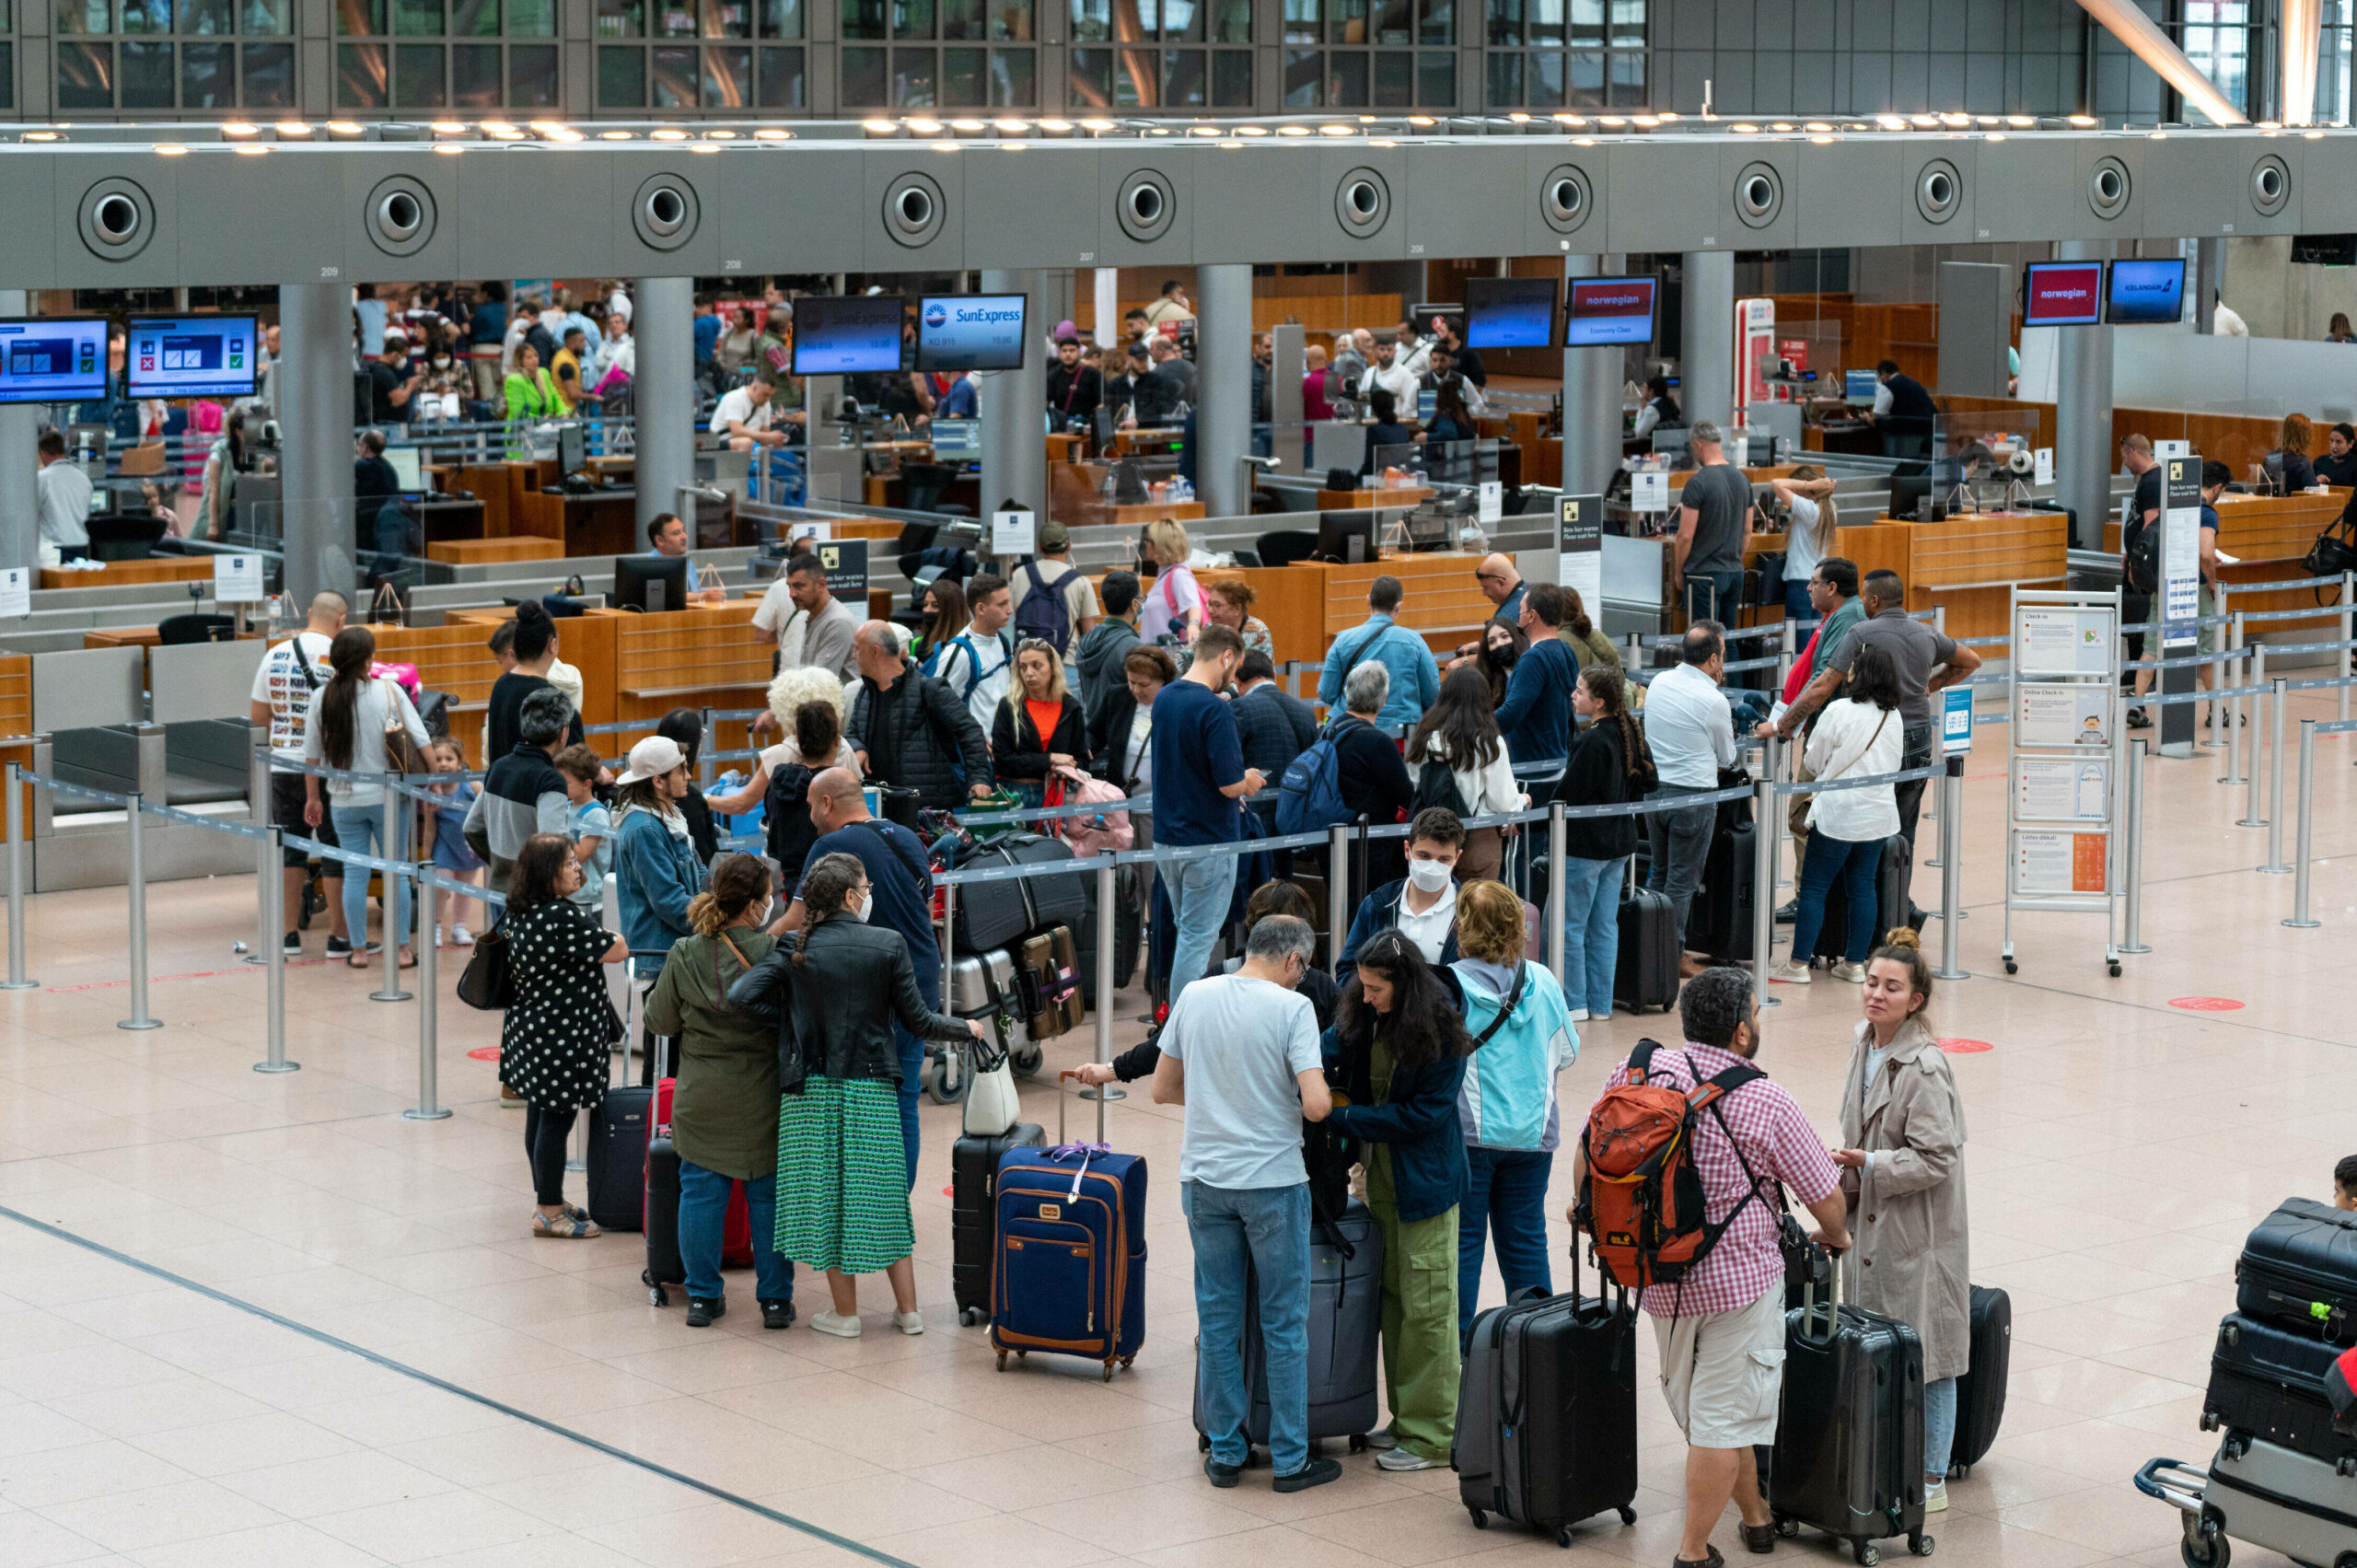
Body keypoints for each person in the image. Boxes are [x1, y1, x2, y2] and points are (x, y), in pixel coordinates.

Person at [1577, 968, 1851, 1568]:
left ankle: (1755, 1517)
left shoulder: (1636, 1071)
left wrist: (1591, 1221)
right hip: (1740, 1287)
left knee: (1711, 1412)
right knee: (1724, 1420)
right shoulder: (1763, 1097)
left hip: (1656, 1279)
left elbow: (1589, 1149)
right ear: (1743, 1031)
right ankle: (1693, 1552)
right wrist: (1838, 1235)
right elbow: (1825, 1193)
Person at [731, 852, 983, 1338]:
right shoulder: (887, 944)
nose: (869, 895)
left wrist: (794, 1020)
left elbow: (744, 996)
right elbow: (920, 1021)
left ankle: (845, 1316)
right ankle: (908, 1312)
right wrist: (965, 1026)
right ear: (850, 896)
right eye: (866, 887)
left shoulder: (793, 946)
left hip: (812, 1093)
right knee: (884, 1196)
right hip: (872, 1089)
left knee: (826, 1199)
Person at [1155, 913, 1341, 1493]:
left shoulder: (1196, 993)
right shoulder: (1293, 1010)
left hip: (1204, 1181)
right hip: (1273, 1183)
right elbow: (1315, 1107)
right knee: (1284, 1322)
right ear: (1293, 960)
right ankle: (1289, 1459)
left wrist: (1221, 1099)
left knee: (1218, 1320)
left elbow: (1163, 1089)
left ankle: (1228, 1454)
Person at [1824, 926, 1973, 1512]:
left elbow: (1937, 1157)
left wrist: (1871, 1163)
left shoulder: (1926, 1068)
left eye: (1891, 987)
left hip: (1920, 1235)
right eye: (1871, 982)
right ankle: (1887, 1455)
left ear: (1916, 1000)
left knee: (1929, 1353)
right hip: (1875, 1223)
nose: (1876, 994)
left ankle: (1931, 1476)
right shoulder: (1865, 1043)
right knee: (1883, 1340)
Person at [1320, 930, 1474, 1472]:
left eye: (1375, 988)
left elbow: (1423, 1117)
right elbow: (1327, 1048)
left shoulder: (1442, 1036)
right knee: (1392, 1302)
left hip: (1424, 1186)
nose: (1364, 997)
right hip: (1381, 1181)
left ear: (1404, 987)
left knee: (1428, 1308)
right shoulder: (1364, 1018)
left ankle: (1434, 1436)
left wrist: (1342, 1117)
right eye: (1361, 987)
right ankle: (1407, 1418)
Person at [772, 768, 943, 1184]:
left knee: (857, 1099)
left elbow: (798, 920)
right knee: (903, 1098)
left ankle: (859, 1203)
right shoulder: (906, 837)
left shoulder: (830, 846)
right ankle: (896, 1204)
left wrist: (745, 946)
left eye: (812, 805)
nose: (811, 814)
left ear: (826, 803)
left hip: (870, 988)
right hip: (919, 980)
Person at [644, 854, 795, 1330]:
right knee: (767, 1198)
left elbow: (659, 1021)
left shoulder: (684, 953)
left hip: (701, 1093)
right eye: (769, 895)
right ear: (754, 906)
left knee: (701, 1195)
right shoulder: (776, 954)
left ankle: (703, 1299)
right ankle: (774, 1301)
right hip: (763, 1092)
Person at [1777, 569, 1981, 910]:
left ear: (1874, 600)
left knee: (1860, 829)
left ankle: (1854, 909)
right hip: (1917, 739)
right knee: (1902, 833)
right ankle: (1895, 909)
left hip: (1878, 736)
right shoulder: (1926, 633)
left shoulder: (1862, 632)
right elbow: (1971, 661)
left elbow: (1824, 684)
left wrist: (1784, 724)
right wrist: (1926, 687)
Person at [1452, 877, 1578, 1336]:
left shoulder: (1451, 984)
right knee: (1525, 1241)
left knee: (1464, 1246)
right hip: (1533, 1136)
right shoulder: (1542, 980)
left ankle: (1463, 1353)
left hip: (1469, 1140)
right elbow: (1568, 1052)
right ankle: (1537, 1346)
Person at [499, 833, 629, 1238]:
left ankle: (548, 1195)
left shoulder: (521, 910)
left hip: (532, 1028)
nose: (579, 868)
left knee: (540, 1114)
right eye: (570, 862)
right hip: (562, 1035)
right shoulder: (560, 916)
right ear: (547, 874)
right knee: (557, 1118)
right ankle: (548, 1211)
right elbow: (617, 949)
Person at [1773, 643, 1904, 985]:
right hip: (1878, 814)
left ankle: (1799, 964)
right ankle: (1856, 964)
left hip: (1838, 813)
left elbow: (1813, 761)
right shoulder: (1894, 715)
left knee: (1815, 888)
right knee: (1863, 887)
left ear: (1860, 674)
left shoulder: (1839, 711)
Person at [301, 626, 430, 972]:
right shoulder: (388, 691)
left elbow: (310, 756)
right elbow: (421, 739)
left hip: (343, 801)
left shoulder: (322, 698)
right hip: (389, 798)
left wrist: (313, 798)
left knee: (354, 873)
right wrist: (436, 785)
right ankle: (402, 951)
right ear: (368, 659)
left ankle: (358, 951)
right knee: (397, 873)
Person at [1154, 624, 1264, 1007]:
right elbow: (1229, 784)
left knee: (1187, 932)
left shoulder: (1165, 697)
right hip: (1208, 840)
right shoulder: (1215, 709)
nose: (1234, 677)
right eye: (1235, 667)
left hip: (1167, 836)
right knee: (1198, 938)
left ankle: (1176, 1024)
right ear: (1227, 656)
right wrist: (1248, 781)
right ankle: (1182, 1032)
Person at [250, 592, 354, 956]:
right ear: (341, 621)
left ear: (309, 613)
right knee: (333, 847)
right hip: (326, 767)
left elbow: (259, 716)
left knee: (290, 849)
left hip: (283, 764)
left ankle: (287, 935)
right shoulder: (341, 659)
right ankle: (339, 936)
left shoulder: (274, 654)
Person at [1560, 666, 1652, 1022]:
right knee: (1603, 925)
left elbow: (1568, 794)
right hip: (1619, 844)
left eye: (1580, 691)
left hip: (1586, 846)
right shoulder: (1629, 729)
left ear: (1598, 702)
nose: (1574, 695)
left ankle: (1575, 1003)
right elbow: (1649, 780)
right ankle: (1600, 1004)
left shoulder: (1591, 740)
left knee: (1570, 926)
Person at [610, 735, 706, 1077]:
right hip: (660, 955)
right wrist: (715, 921)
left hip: (676, 950)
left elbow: (696, 871)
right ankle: (658, 1126)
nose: (688, 777)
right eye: (682, 770)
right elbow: (668, 901)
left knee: (674, 1052)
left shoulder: (667, 814)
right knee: (665, 1059)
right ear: (658, 781)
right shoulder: (645, 829)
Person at [1646, 621, 1738, 974]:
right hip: (1693, 796)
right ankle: (1673, 954)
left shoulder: (1659, 682)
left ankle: (1650, 946)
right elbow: (1727, 757)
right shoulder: (1713, 699)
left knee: (1659, 873)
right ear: (1713, 659)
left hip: (1655, 793)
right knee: (1682, 880)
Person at [845, 621, 995, 813]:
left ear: (875, 652)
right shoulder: (866, 693)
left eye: (857, 649)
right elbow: (852, 733)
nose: (853, 656)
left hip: (925, 810)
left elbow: (969, 731)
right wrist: (858, 748)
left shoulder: (930, 689)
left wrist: (978, 779)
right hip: (880, 807)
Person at [1407, 667, 1527, 880]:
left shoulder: (1423, 737)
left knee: (1436, 909)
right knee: (1475, 910)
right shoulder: (1488, 742)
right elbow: (1504, 803)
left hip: (1429, 840)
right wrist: (1523, 800)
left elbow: (1415, 783)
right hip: (1479, 838)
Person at [464, 689, 576, 897]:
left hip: (500, 891)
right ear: (563, 733)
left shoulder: (498, 767)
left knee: (505, 932)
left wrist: (502, 864)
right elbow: (551, 844)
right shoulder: (550, 780)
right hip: (533, 898)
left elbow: (471, 827)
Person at [1339, 807, 1466, 975]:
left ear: (1457, 858)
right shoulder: (1378, 905)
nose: (1433, 866)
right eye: (1424, 856)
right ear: (1407, 850)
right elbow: (1347, 969)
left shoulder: (1470, 912)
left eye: (1444, 859)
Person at [1329, 661, 1420, 892]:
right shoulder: (1378, 742)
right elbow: (1406, 794)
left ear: (1347, 693)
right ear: (1382, 701)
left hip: (1330, 835)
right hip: (1370, 843)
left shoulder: (1330, 729)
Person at [1318, 575, 1440, 728]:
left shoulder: (1344, 639)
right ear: (1398, 606)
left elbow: (1326, 692)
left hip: (1350, 730)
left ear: (1368, 600)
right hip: (1401, 736)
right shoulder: (1414, 641)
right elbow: (1433, 693)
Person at [1673, 421, 1755, 624]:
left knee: (1704, 640)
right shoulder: (1743, 480)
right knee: (1729, 638)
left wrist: (1678, 572)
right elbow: (1747, 531)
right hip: (1734, 572)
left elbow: (1685, 536)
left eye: (1693, 448)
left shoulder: (1697, 483)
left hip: (1703, 575)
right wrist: (1734, 560)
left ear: (1698, 444)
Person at [992, 638, 1090, 803]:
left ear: (1052, 668)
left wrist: (1067, 768)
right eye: (1023, 667)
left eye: (1036, 666)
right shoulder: (1009, 705)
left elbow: (1081, 758)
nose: (1029, 673)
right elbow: (1002, 760)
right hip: (1016, 793)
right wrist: (1049, 759)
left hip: (1057, 793)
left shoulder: (1070, 706)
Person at [484, 602, 586, 761]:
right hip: (545, 785)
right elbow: (578, 769)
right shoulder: (556, 703)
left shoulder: (500, 686)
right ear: (553, 645)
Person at [1232, 651, 1318, 828]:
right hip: (1297, 814)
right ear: (1274, 676)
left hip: (1254, 818)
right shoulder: (1307, 712)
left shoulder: (1238, 708)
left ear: (1238, 681)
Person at [752, 552, 861, 686]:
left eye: (799, 586)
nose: (791, 594)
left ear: (821, 584)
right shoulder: (813, 616)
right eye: (789, 586)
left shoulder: (837, 622)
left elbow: (818, 685)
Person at [930, 571, 1016, 738]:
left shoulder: (1003, 641)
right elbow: (936, 706)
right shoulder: (959, 653)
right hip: (975, 756)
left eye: (1009, 602)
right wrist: (974, 739)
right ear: (981, 609)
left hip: (1003, 751)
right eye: (1002, 604)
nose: (1010, 610)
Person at [421, 739, 483, 947]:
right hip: (445, 848)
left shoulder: (471, 786)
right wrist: (427, 855)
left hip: (468, 849)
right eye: (438, 759)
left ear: (459, 763)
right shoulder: (432, 792)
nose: (444, 763)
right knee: (442, 886)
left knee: (465, 890)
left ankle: (459, 927)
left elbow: (487, 813)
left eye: (449, 759)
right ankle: (436, 926)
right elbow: (430, 827)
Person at [1091, 644, 1174, 801]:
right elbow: (1094, 733)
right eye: (1131, 682)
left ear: (1162, 680)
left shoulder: (1175, 704)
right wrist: (1086, 748)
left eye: (1144, 685)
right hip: (1121, 799)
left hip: (1161, 801)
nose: (1136, 690)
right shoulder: (1117, 696)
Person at [1007, 521, 1100, 656]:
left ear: (1039, 547)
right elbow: (1090, 635)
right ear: (1069, 546)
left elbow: (1010, 617)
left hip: (1026, 663)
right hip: (1064, 661)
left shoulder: (1019, 575)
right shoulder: (1081, 582)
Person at [1769, 465, 1840, 624]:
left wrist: (1810, 485)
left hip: (1801, 584)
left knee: (1798, 642)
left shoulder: (1809, 509)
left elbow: (1776, 484)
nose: (1793, 491)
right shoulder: (1829, 509)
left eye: (1796, 486)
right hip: (1818, 581)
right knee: (1812, 641)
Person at [549, 744, 611, 914]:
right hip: (569, 896)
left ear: (587, 784)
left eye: (566, 782)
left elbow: (581, 855)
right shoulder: (566, 806)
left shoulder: (596, 814)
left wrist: (554, 827)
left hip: (590, 901)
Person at [1075, 569, 1143, 729]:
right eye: (1141, 598)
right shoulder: (1131, 646)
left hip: (1092, 733)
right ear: (1134, 604)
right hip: (1120, 734)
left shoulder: (1087, 639)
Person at [1137, 518, 1202, 645]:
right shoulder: (1164, 574)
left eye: (1149, 540)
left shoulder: (1179, 575)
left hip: (1169, 658)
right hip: (1155, 657)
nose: (1146, 544)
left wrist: (1194, 625)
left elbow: (1194, 606)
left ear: (1161, 545)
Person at [35, 430, 93, 559]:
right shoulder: (83, 478)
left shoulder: (41, 479)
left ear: (42, 454)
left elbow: (31, 513)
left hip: (53, 550)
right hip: (81, 546)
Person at [1870, 358, 1937, 459]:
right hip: (1931, 430)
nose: (1880, 380)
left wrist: (1865, 416)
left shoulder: (1887, 387)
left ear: (1883, 373)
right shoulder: (1914, 383)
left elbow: (1876, 418)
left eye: (1879, 376)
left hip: (1905, 437)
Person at [1201, 579, 1273, 659]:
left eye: (1217, 605)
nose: (1210, 610)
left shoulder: (1258, 631)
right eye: (1210, 604)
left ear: (1237, 609)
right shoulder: (1210, 627)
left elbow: (1260, 669)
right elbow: (1189, 655)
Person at [1469, 618, 1528, 711]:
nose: (1499, 644)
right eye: (1492, 642)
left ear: (1515, 637)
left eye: (1504, 636)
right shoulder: (1483, 680)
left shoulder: (1529, 668)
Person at [1047, 336, 1102, 425]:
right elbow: (1046, 401)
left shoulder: (1093, 375)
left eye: (1072, 350)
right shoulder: (1054, 375)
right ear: (1059, 353)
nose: (1068, 354)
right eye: (1064, 351)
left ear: (1079, 352)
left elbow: (1100, 404)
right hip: (1062, 427)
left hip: (1087, 425)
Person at [1362, 387, 1415, 470]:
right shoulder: (1403, 429)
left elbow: (1370, 463)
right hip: (1400, 475)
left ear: (1374, 409)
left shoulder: (1374, 430)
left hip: (1382, 476)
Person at [1472, 553, 1527, 629]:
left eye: (1486, 587)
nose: (1484, 593)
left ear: (1501, 583)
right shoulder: (1537, 593)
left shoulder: (1505, 619)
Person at [2275, 412, 2318, 493]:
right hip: (2294, 504)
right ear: (2305, 437)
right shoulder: (2302, 462)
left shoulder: (2272, 457)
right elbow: (2313, 492)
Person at [1631, 373, 1681, 440]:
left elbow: (1640, 434)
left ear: (1651, 391)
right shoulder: (1669, 402)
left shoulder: (1652, 409)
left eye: (1644, 387)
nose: (1642, 390)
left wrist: (1641, 409)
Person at [2316, 422, 2357, 488]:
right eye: (2331, 440)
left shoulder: (2354, 464)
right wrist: (2316, 481)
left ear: (2350, 444)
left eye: (2338, 442)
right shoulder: (2320, 461)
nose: (2333, 446)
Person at [1302, 343, 1335, 421]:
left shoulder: (1308, 382)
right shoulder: (1335, 379)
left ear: (1307, 361)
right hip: (1332, 429)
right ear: (1325, 359)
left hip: (1311, 430)